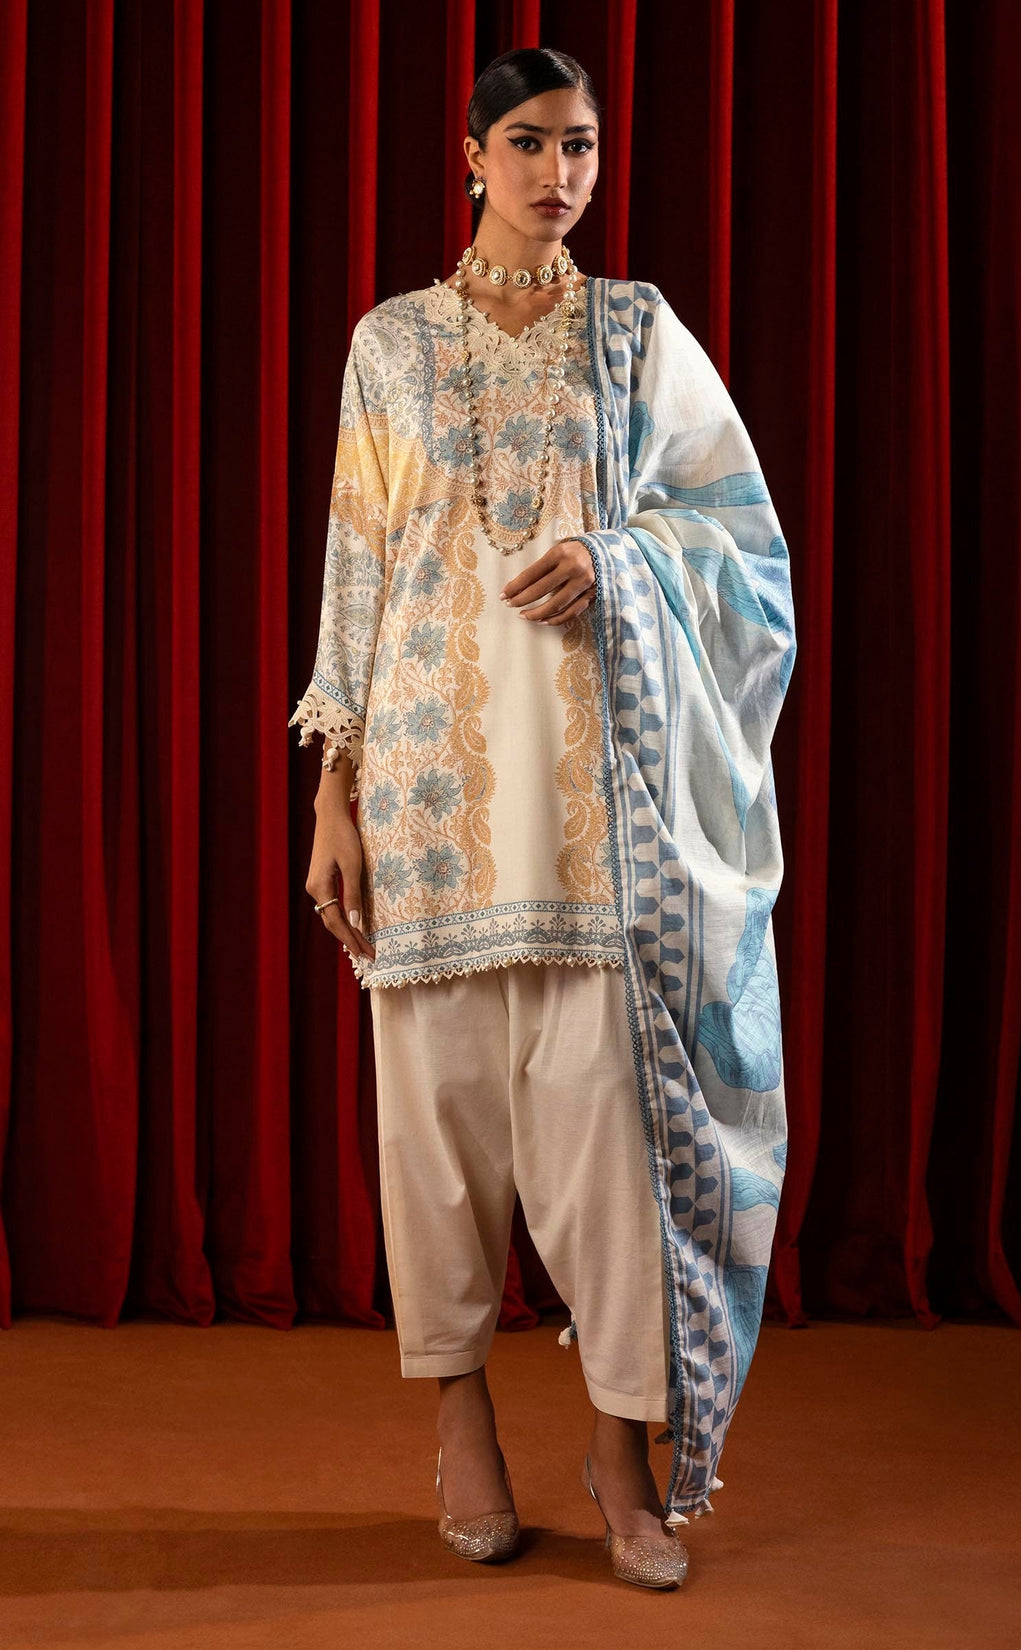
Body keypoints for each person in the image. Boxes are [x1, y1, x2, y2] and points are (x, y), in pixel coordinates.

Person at [289, 46, 796, 1592]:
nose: (558, 172)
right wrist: (333, 790)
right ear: (470, 155)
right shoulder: (392, 344)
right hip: (430, 798)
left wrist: (618, 558)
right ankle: (461, 1426)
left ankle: (622, 1453)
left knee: (607, 1147)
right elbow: (360, 565)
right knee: (434, 1131)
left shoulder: (635, 335)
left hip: (596, 817)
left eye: (579, 145)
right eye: (527, 142)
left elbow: (742, 545)